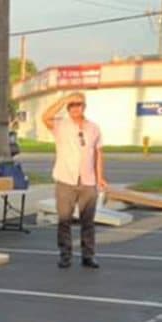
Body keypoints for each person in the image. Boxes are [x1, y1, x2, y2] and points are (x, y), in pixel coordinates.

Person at [41, 91, 106, 269]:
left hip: (88, 181)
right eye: (72, 105)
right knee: (64, 220)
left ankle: (88, 255)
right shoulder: (61, 125)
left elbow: (98, 153)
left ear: (84, 106)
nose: (75, 108)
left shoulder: (93, 128)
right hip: (66, 179)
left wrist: (100, 177)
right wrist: (63, 100)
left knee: (88, 221)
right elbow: (45, 117)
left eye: (78, 104)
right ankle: (65, 255)